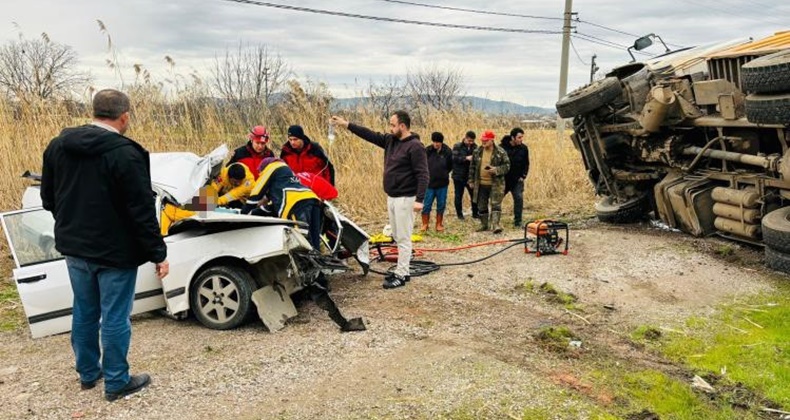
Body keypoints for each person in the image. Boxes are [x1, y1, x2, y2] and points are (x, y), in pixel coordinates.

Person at [40, 89, 169, 402]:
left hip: (75, 248)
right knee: (114, 316)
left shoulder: (58, 146)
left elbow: (48, 198)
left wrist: (71, 223)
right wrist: (158, 253)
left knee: (85, 311)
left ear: (95, 112)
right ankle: (116, 381)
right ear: (124, 116)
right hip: (115, 253)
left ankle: (88, 373)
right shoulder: (127, 154)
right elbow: (141, 210)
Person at [330, 111, 428, 289]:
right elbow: (369, 135)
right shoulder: (391, 140)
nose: (390, 128)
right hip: (392, 196)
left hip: (406, 199)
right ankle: (404, 271)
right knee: (396, 236)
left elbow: (423, 174)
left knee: (404, 238)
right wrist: (346, 124)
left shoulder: (415, 146)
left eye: (393, 125)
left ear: (402, 126)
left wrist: (419, 200)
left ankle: (401, 274)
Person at [242, 157, 323, 250]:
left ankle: (306, 258)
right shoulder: (285, 176)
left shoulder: (271, 167)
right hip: (312, 199)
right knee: (314, 239)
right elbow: (274, 205)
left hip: (297, 203)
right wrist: (255, 212)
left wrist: (245, 211)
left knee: (301, 239)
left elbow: (257, 192)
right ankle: (318, 257)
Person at [468, 130, 510, 234]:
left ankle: (495, 225)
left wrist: (496, 170)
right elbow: (472, 167)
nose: (483, 142)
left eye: (486, 140)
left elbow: (507, 166)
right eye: (482, 140)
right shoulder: (477, 151)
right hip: (481, 184)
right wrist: (471, 180)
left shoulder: (500, 152)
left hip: (496, 184)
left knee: (496, 204)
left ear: (492, 140)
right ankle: (484, 224)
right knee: (481, 205)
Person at [421, 132, 453, 233]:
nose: (435, 144)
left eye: (438, 142)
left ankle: (439, 224)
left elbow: (450, 166)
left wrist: (443, 173)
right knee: (427, 205)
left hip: (442, 184)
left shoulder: (447, 151)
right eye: (434, 142)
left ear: (441, 142)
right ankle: (425, 224)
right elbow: (422, 164)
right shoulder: (427, 150)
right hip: (429, 184)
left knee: (441, 204)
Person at [502, 128, 530, 228]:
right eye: (519, 137)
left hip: (517, 180)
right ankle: (494, 220)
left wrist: (523, 175)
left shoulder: (524, 148)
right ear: (512, 138)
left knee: (519, 198)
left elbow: (526, 163)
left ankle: (518, 221)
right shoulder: (502, 148)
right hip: (504, 179)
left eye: (522, 137)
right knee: (496, 200)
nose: (521, 139)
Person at [451, 130, 478, 220]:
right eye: (469, 140)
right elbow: (454, 158)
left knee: (474, 195)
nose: (470, 143)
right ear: (465, 138)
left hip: (470, 176)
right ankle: (460, 215)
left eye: (472, 141)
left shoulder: (475, 147)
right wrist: (466, 158)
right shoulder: (457, 146)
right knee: (458, 195)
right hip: (458, 176)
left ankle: (475, 213)